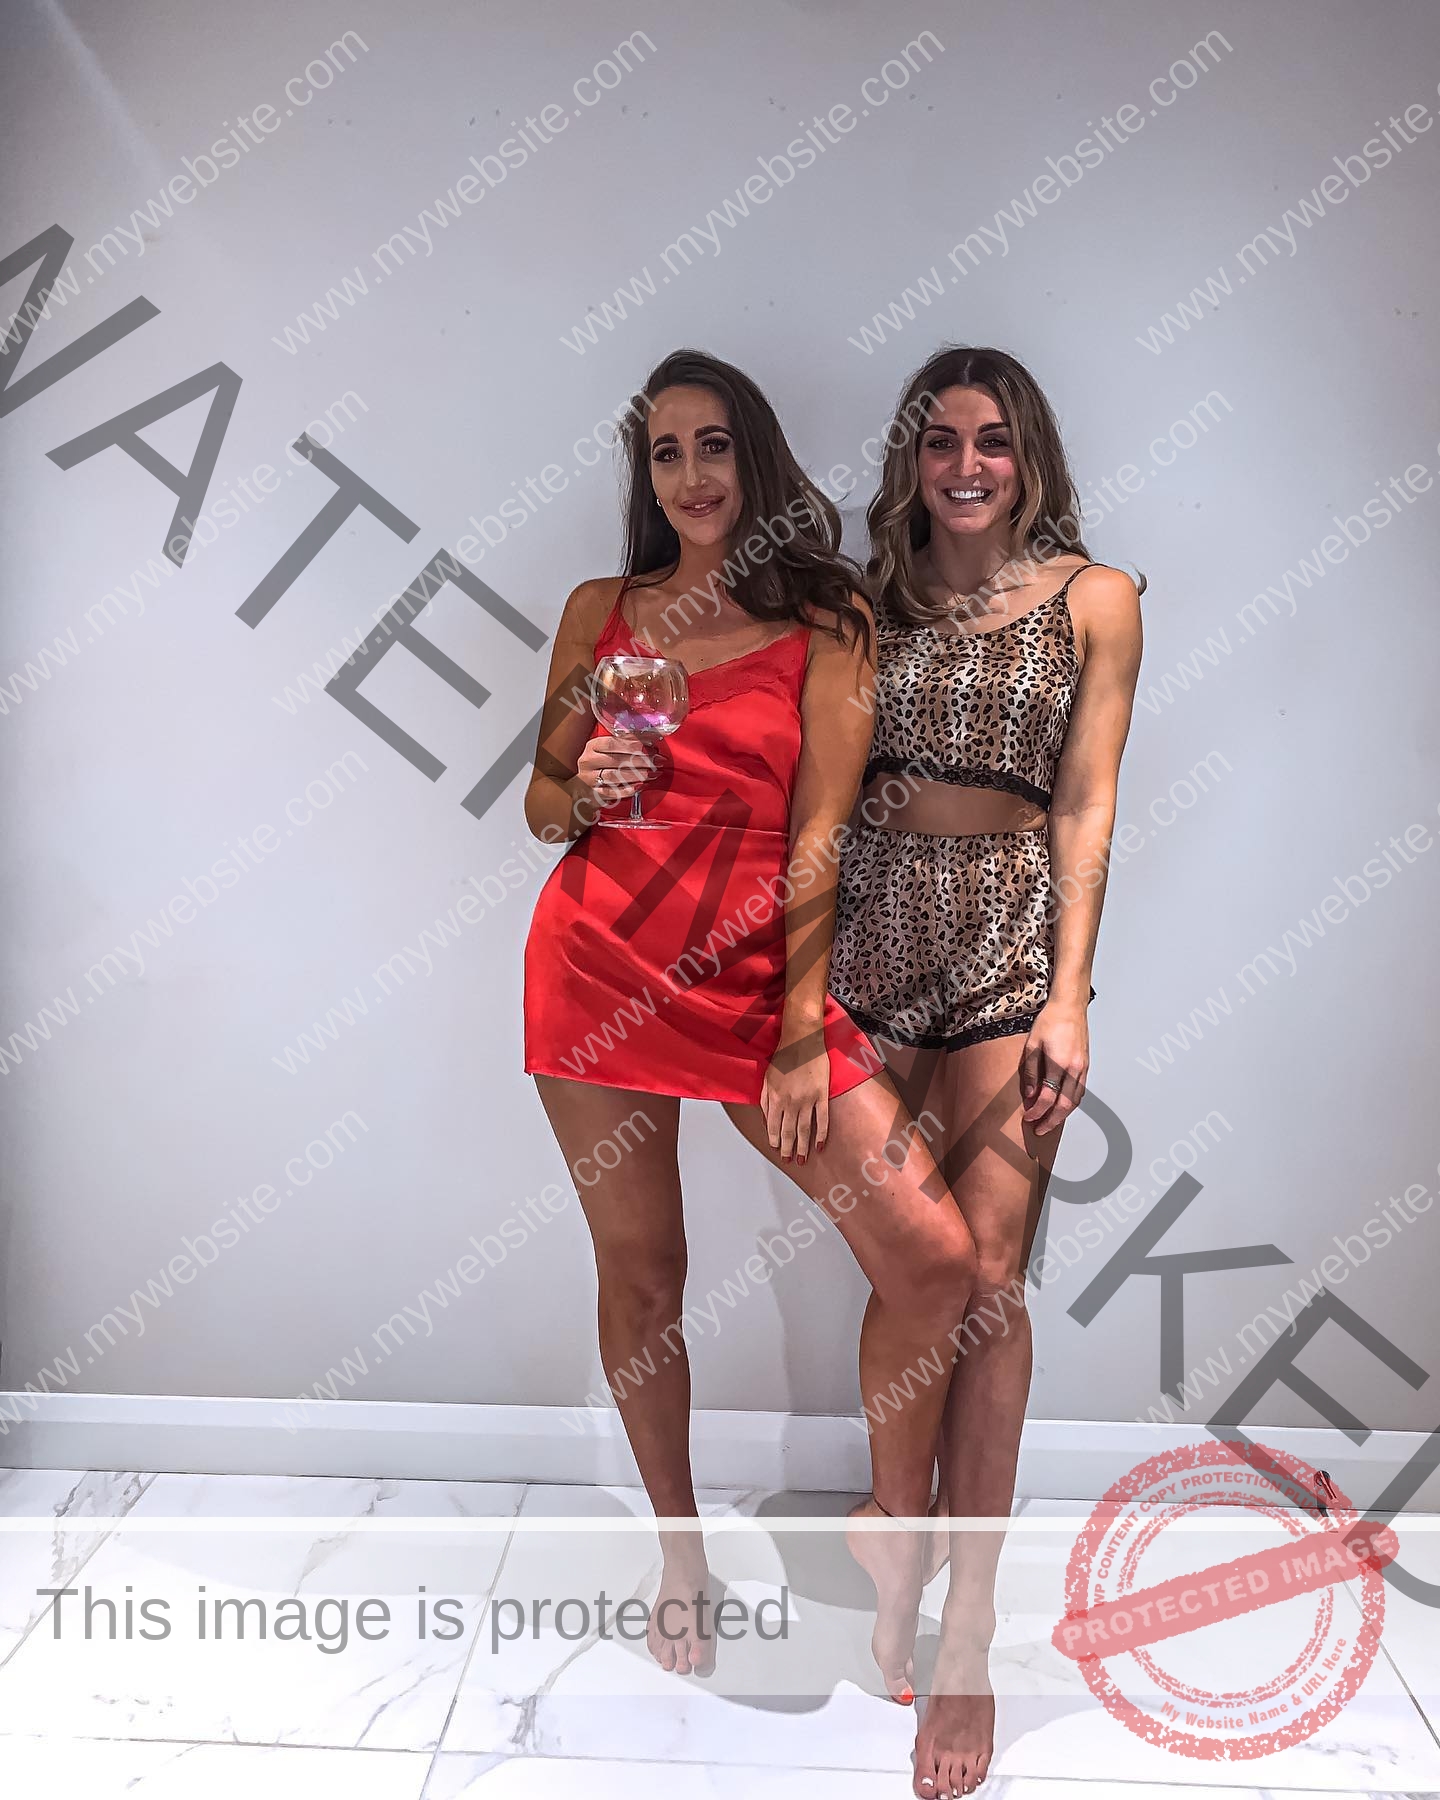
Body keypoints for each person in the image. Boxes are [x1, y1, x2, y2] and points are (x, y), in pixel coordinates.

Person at [522, 348, 977, 1693]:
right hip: (597, 963)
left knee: (932, 1258)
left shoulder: (830, 618)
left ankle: (890, 1527)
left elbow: (824, 830)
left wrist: (797, 1028)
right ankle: (681, 1552)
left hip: (755, 984)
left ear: (754, 456)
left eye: (713, 445)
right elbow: (541, 801)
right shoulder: (601, 609)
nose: (691, 475)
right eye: (664, 453)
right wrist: (585, 789)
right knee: (643, 1273)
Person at [830, 345, 1143, 1797]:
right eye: (942, 438)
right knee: (919, 1270)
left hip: (1013, 945)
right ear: (912, 457)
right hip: (871, 939)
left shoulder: (1097, 598)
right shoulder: (862, 603)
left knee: (995, 1281)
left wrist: (1070, 998)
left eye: (995, 439)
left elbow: (1087, 802)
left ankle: (969, 1632)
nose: (968, 464)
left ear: (1032, 458)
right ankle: (895, 1535)